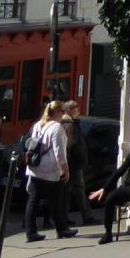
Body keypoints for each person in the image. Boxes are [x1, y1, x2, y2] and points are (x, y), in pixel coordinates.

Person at [22, 101, 74, 243]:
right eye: (63, 111)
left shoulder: (38, 125)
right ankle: (61, 229)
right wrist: (65, 170)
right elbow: (60, 153)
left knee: (33, 200)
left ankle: (30, 232)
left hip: (34, 169)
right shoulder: (57, 127)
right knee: (56, 201)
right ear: (56, 112)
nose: (64, 114)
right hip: (50, 170)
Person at [60, 102, 90, 225]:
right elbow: (72, 144)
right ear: (69, 110)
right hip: (74, 163)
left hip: (69, 162)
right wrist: (81, 156)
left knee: (67, 192)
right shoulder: (71, 125)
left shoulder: (65, 124)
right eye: (75, 107)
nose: (78, 109)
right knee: (79, 189)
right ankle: (87, 216)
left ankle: (63, 217)